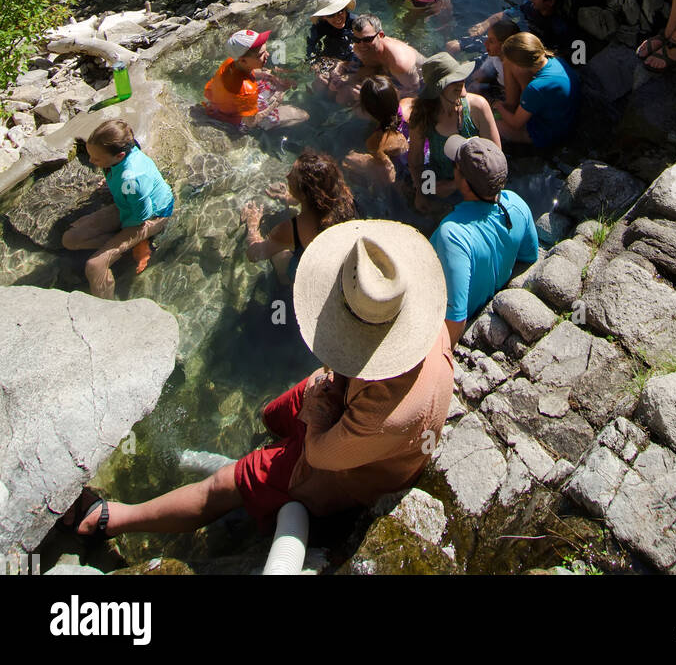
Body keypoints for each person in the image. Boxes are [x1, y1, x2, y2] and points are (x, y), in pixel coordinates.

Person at [64, 221, 453, 537]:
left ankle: (115, 519)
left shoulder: (383, 415)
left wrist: (319, 409)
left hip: (348, 471)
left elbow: (319, 455)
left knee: (221, 489)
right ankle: (268, 452)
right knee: (274, 413)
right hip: (352, 403)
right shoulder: (420, 322)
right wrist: (328, 388)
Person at [430, 137, 539, 347]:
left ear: (464, 183)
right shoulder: (517, 204)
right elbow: (530, 256)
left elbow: (455, 318)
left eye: (456, 166)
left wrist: (443, 356)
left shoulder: (452, 234)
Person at [62, 120, 175, 299]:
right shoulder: (122, 152)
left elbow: (141, 218)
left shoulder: (132, 180)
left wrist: (136, 240)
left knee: (94, 265)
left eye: (97, 159)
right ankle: (125, 251)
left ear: (120, 156)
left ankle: (109, 311)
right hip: (128, 206)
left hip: (154, 216)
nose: (91, 161)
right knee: (70, 239)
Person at [240, 149, 356, 280]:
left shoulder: (290, 229)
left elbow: (254, 254)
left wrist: (252, 226)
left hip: (314, 276)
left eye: (292, 175)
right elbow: (317, 195)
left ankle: (285, 283)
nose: (287, 175)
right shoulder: (346, 199)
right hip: (342, 266)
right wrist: (290, 198)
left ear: (304, 194)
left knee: (280, 257)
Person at [407, 52, 501, 204]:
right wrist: (423, 192)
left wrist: (456, 184)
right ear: (437, 90)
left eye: (461, 76)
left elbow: (496, 157)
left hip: (478, 182)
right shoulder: (422, 116)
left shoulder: (478, 107)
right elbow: (416, 162)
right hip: (439, 182)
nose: (461, 82)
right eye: (453, 80)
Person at [203, 28, 309, 129]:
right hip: (238, 121)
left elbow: (246, 76)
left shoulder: (230, 62)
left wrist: (267, 75)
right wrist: (275, 103)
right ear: (243, 61)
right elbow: (251, 122)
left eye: (265, 50)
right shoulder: (248, 90)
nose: (267, 55)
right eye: (261, 55)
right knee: (302, 116)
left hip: (220, 103)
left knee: (275, 77)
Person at [495, 32, 580, 148]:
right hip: (562, 114)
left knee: (491, 124)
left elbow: (516, 124)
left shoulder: (536, 88)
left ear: (520, 65)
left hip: (547, 134)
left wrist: (498, 106)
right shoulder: (556, 60)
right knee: (508, 62)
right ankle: (511, 105)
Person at [454, 0, 572, 57]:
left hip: (520, 56)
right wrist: (485, 24)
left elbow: (558, 53)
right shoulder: (530, 7)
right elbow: (506, 14)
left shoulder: (559, 27)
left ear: (550, 2)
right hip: (507, 44)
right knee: (454, 46)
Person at [329, 15, 424, 105]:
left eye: (367, 40)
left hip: (419, 84)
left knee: (361, 112)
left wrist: (370, 96)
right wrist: (340, 70)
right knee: (341, 94)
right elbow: (369, 68)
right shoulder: (360, 47)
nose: (361, 45)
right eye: (356, 39)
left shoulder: (399, 62)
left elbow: (413, 94)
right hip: (390, 76)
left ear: (381, 35)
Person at [342, 77, 412, 190]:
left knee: (348, 163)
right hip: (429, 162)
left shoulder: (374, 142)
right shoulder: (409, 104)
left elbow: (388, 178)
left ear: (367, 110)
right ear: (395, 93)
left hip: (407, 178)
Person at [465, 17, 519, 96]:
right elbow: (487, 64)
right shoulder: (495, 55)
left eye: (491, 41)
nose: (485, 44)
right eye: (487, 39)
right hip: (498, 80)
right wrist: (480, 74)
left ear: (504, 46)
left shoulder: (513, 68)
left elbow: (513, 95)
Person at [306, 0, 357, 64]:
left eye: (340, 11)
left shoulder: (355, 22)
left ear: (345, 10)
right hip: (331, 52)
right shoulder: (320, 27)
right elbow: (311, 45)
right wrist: (314, 63)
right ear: (324, 17)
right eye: (331, 15)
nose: (337, 18)